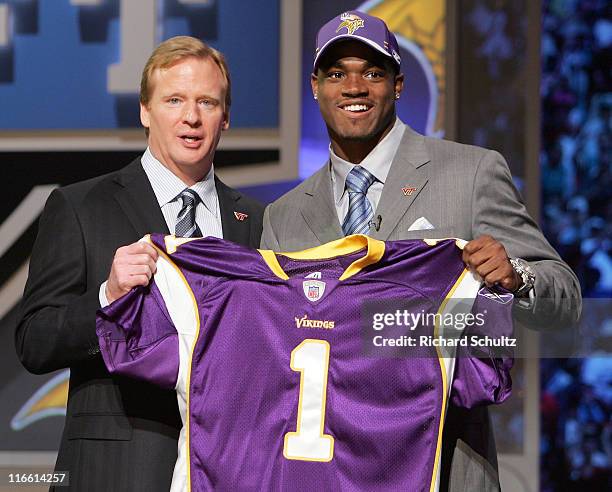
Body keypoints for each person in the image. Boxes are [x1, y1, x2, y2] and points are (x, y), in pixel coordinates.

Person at [261, 11, 581, 491]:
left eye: (372, 72)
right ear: (315, 87)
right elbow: (270, 361)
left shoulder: (471, 173)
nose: (354, 87)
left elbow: (567, 302)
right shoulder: (283, 217)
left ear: (398, 84)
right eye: (336, 74)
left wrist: (516, 276)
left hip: (447, 467)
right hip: (326, 473)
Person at [16, 36, 263, 491]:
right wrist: (107, 298)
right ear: (145, 111)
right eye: (174, 100)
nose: (191, 117)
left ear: (225, 117)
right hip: (114, 473)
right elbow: (34, 341)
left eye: (207, 102)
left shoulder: (257, 221)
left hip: (227, 469)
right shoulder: (81, 206)